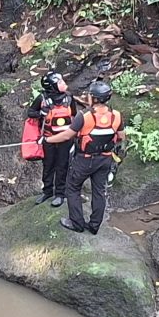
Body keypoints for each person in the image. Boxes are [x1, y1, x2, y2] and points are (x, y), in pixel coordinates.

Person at [44, 79, 122, 235]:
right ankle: (94, 226)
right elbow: (120, 137)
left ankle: (77, 223)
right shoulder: (116, 116)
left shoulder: (84, 116)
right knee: (99, 191)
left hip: (84, 160)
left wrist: (47, 139)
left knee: (72, 188)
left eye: (89, 95)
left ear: (94, 98)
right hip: (105, 159)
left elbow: (67, 135)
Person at [27, 71, 78, 207]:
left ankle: (60, 193)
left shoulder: (69, 98)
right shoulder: (42, 98)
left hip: (65, 140)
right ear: (52, 86)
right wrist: (40, 113)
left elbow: (75, 115)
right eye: (59, 82)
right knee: (48, 166)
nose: (63, 84)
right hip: (48, 139)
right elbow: (30, 112)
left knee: (62, 166)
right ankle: (47, 191)